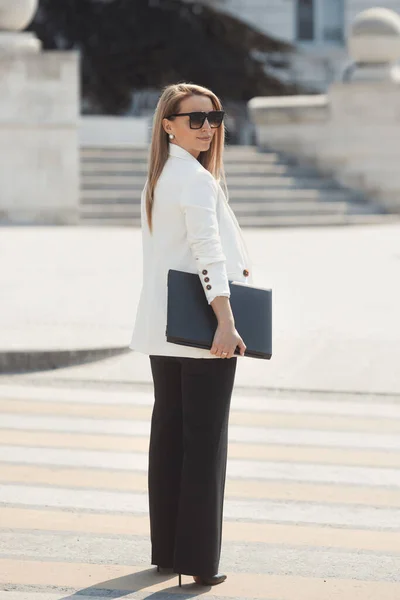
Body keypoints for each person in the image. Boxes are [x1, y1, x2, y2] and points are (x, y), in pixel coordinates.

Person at [129, 82, 254, 587]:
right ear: (168, 125)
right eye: (194, 119)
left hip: (164, 329)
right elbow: (209, 254)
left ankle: (168, 552)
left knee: (170, 437)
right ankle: (200, 562)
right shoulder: (196, 180)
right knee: (205, 444)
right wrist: (225, 320)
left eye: (214, 118)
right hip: (203, 330)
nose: (207, 128)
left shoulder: (159, 178)